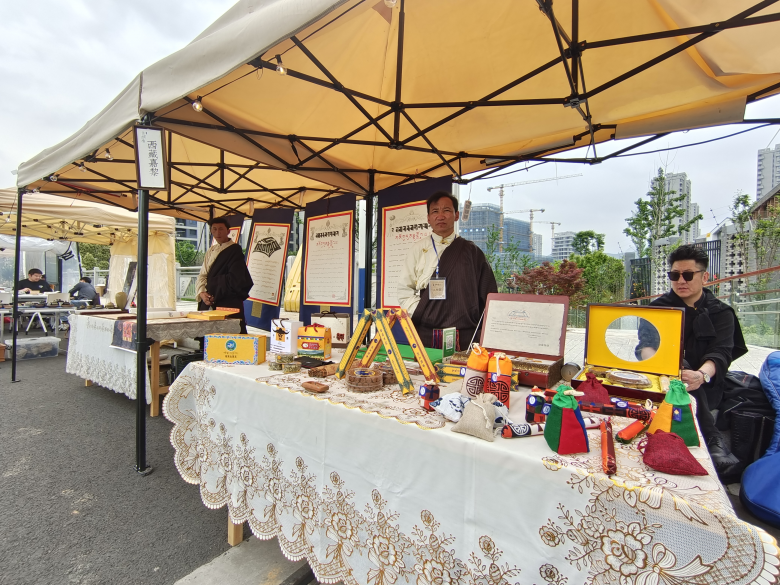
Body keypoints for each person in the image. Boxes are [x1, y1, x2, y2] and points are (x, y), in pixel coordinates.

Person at [635, 244, 748, 480]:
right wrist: (662, 366)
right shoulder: (657, 308)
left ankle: (710, 436)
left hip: (707, 382)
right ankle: (712, 438)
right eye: (674, 275)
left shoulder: (722, 313)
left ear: (704, 277)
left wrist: (701, 375)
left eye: (688, 275)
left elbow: (721, 353)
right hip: (663, 376)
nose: (680, 281)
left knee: (689, 376)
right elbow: (646, 345)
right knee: (680, 367)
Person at [398, 191, 497, 349]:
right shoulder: (418, 249)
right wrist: (421, 311)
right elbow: (404, 289)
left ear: (456, 215)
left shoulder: (473, 252)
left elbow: (489, 295)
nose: (440, 216)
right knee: (426, 366)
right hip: (426, 334)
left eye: (446, 210)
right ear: (428, 218)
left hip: (466, 336)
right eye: (435, 211)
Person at [195, 217, 253, 333]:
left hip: (227, 300)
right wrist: (202, 293)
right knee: (208, 336)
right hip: (208, 300)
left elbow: (236, 278)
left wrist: (213, 290)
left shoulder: (234, 250)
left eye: (221, 229)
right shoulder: (211, 250)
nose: (218, 232)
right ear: (211, 231)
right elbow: (203, 274)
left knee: (229, 336)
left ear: (228, 231)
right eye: (214, 229)